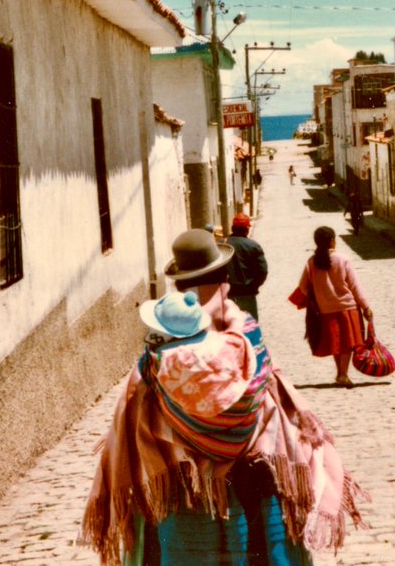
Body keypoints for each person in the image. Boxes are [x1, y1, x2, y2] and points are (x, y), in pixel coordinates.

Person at [82, 229, 367, 566]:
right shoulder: (249, 341)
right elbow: (277, 404)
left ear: (178, 287)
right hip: (252, 481)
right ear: (223, 280)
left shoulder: (154, 362)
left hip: (181, 486)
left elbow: (131, 422)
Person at [288, 226, 373, 388]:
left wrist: (318, 296)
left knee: (336, 342)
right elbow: (355, 286)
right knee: (347, 343)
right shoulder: (343, 259)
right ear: (332, 241)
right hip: (347, 307)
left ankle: (340, 373)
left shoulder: (312, 262)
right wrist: (366, 306)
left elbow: (303, 286)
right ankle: (343, 374)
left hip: (326, 309)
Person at [226, 212, 268, 320]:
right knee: (250, 329)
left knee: (231, 329)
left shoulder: (223, 246)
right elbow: (262, 271)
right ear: (247, 229)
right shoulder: (253, 246)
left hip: (228, 295)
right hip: (247, 294)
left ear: (232, 228)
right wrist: (253, 286)